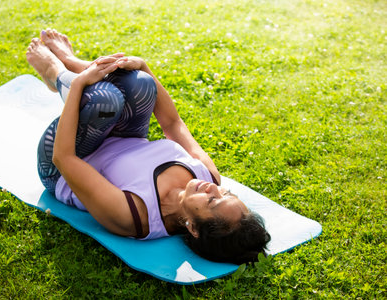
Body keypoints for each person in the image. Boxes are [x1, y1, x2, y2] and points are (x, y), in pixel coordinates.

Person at [26, 29, 271, 264]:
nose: (213, 189)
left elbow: (64, 158)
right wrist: (144, 66)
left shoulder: (133, 216)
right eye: (226, 193)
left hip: (70, 162)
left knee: (104, 99)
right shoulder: (209, 177)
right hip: (124, 135)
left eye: (212, 201)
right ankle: (71, 60)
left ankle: (55, 71)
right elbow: (173, 125)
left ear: (193, 228)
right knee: (141, 82)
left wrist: (79, 84)